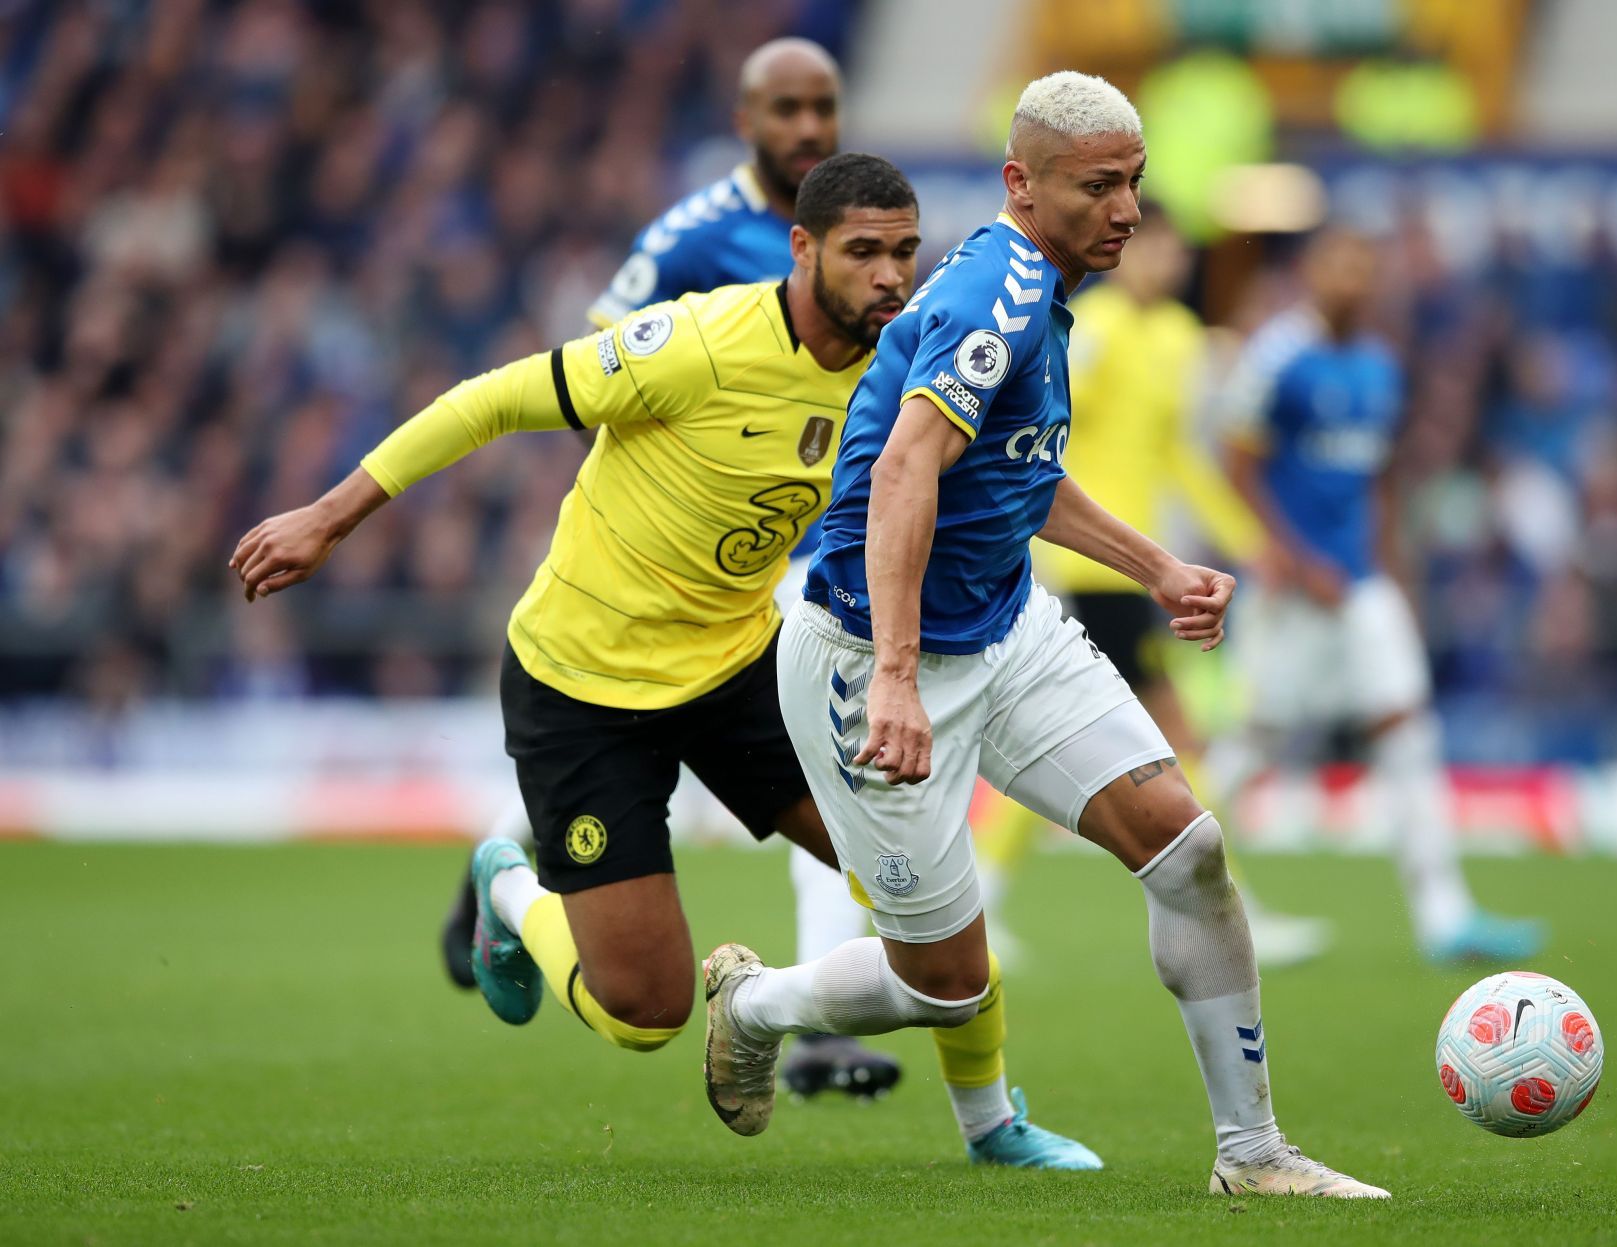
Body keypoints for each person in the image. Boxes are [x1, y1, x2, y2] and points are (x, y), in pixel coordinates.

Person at [230, 155, 1094, 1169]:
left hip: (740, 669)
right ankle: (507, 887)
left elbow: (1017, 478)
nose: (891, 277)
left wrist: (1158, 568)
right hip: (582, 684)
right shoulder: (698, 343)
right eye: (865, 252)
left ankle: (993, 1127)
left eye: (905, 252)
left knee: (924, 878)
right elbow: (489, 401)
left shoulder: (902, 364)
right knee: (644, 1010)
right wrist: (329, 519)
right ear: (805, 249)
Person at [697, 73, 1387, 1199]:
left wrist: (1158, 566)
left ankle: (1252, 1151)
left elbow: (1020, 470)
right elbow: (909, 468)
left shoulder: (1046, 292)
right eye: (1098, 186)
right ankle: (756, 1002)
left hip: (1009, 626)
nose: (1126, 209)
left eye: (1135, 185)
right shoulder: (996, 299)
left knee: (1188, 846)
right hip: (865, 652)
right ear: (1023, 183)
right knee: (946, 983)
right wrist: (897, 681)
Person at [440, 36, 899, 1099]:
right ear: (747, 122)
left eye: (823, 106)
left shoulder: (868, 244)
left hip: (782, 572)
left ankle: (806, 1021)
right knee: (644, 979)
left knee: (870, 828)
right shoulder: (691, 241)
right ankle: (525, 867)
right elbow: (602, 369)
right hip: (667, 576)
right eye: (785, 108)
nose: (808, 127)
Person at [978, 202, 1330, 967]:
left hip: (1135, 563)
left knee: (1071, 738)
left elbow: (1180, 456)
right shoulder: (1090, 326)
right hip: (1081, 564)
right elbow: (1043, 436)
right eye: (1146, 245)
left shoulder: (1176, 338)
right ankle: (1227, 905)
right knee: (1175, 734)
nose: (1159, 259)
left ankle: (983, 893)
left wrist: (1247, 539)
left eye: (1168, 246)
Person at [1210, 228, 1545, 964]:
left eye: (1364, 268)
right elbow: (1237, 468)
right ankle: (1200, 895)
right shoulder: (1274, 358)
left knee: (1406, 728)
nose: (1352, 280)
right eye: (1338, 266)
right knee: (1251, 744)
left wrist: (1393, 570)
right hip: (1296, 591)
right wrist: (1291, 560)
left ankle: (1443, 915)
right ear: (1310, 274)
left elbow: (1380, 479)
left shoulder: (1380, 364)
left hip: (1362, 583)